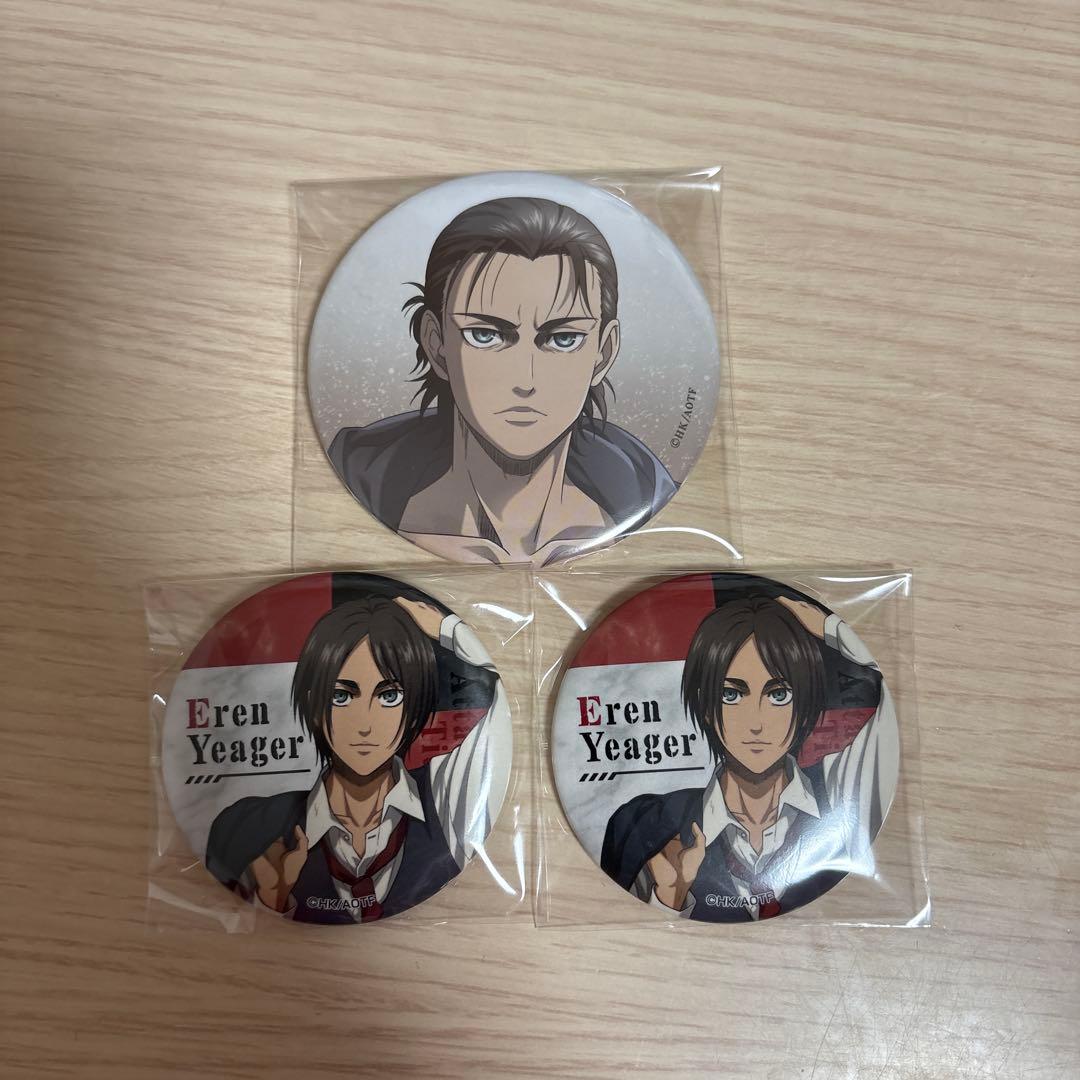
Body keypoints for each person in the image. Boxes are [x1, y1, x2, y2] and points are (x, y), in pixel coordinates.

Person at [328, 196, 676, 566]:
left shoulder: (648, 502)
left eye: (563, 339)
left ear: (603, 354)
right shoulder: (352, 487)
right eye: (485, 335)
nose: (525, 380)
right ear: (436, 343)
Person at [205, 595, 509, 923]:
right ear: (314, 705)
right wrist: (271, 902)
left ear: (414, 706)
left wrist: (450, 629)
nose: (364, 724)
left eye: (389, 696)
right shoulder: (246, 827)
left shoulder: (448, 801)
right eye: (341, 695)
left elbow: (497, 704)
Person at [600, 595, 898, 921]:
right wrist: (669, 900)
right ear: (705, 705)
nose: (755, 723)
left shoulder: (840, 789)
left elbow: (893, 694)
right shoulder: (646, 825)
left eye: (778, 694)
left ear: (805, 703)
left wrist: (832, 629)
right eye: (731, 694)